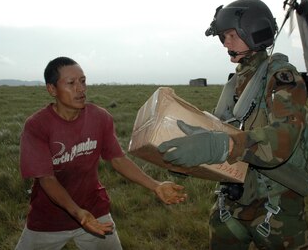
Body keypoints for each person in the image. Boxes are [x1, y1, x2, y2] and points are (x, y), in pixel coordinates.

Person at [158, 0, 308, 249]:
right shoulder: (236, 82)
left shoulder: (282, 77)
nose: (226, 43)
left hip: (276, 205)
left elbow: (282, 140)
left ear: (255, 32)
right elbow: (220, 130)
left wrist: (217, 146)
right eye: (223, 37)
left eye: (231, 35)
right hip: (231, 202)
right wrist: (189, 157)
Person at [15, 56, 187, 250]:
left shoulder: (99, 117)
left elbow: (118, 159)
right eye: (71, 83)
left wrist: (155, 185)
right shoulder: (37, 126)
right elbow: (47, 179)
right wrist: (78, 213)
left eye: (83, 81)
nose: (81, 89)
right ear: (52, 89)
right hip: (49, 218)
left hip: (94, 211)